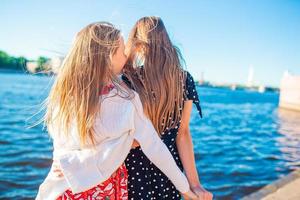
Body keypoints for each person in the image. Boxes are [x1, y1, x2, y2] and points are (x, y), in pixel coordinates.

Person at [36, 21, 198, 200]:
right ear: (107, 56)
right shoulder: (125, 99)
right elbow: (156, 145)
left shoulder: (68, 92)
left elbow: (63, 145)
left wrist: (65, 161)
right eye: (122, 50)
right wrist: (186, 188)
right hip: (106, 187)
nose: (127, 54)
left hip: (70, 185)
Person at [123, 16, 213, 200]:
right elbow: (183, 134)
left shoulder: (128, 79)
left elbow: (125, 137)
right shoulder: (183, 79)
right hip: (169, 172)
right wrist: (194, 184)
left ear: (138, 45)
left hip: (134, 170)